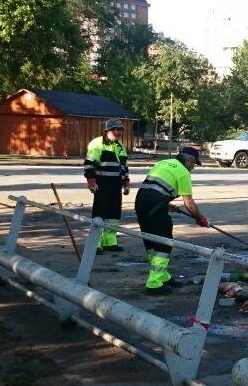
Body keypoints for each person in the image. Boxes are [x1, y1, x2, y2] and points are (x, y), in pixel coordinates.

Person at [134, 145, 208, 292]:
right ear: (188, 160)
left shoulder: (163, 163)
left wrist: (166, 203)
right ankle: (154, 283)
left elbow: (155, 187)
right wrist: (199, 218)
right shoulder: (183, 173)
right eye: (194, 164)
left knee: (151, 239)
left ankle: (162, 276)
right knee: (164, 241)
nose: (193, 168)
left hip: (141, 202)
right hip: (155, 206)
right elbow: (189, 203)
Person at [83, 119, 129, 253]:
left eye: (121, 129)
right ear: (108, 130)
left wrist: (126, 182)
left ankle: (110, 242)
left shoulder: (119, 145)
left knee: (114, 214)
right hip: (102, 184)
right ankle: (95, 244)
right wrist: (91, 181)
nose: (119, 132)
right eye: (117, 129)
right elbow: (89, 164)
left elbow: (124, 166)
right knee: (100, 213)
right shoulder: (97, 144)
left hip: (115, 185)